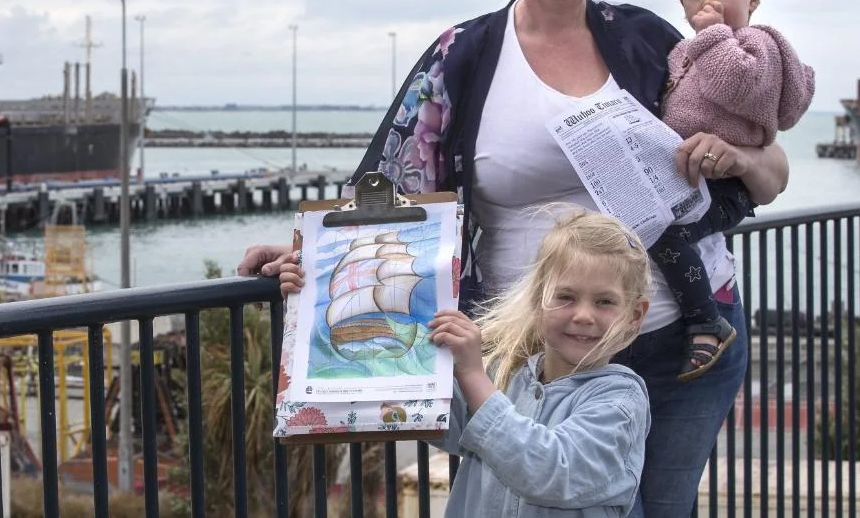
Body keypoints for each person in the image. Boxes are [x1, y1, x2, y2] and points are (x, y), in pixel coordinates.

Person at [239, 0, 791, 517]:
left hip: (685, 343)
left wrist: (740, 158)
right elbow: (388, 192)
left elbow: (768, 169)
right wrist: (309, 258)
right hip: (529, 358)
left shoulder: (651, 43)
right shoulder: (462, 57)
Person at [276, 208, 654, 516]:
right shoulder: (510, 374)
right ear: (538, 299)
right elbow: (437, 421)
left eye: (604, 301)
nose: (584, 315)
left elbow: (551, 470)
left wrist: (473, 374)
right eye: (566, 297)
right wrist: (310, 298)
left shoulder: (619, 401)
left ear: (635, 316)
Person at [650, 0, 815, 382]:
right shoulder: (686, 50)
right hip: (692, 178)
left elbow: (736, 85)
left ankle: (705, 322)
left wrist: (713, 36)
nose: (710, 3)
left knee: (667, 234)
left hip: (729, 186)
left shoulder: (757, 46)